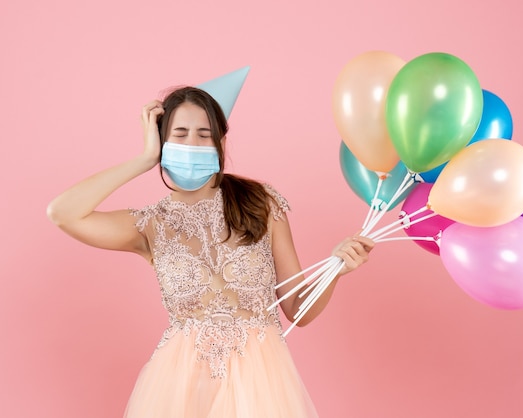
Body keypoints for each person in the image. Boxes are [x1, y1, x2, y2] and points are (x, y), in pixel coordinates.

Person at [47, 85, 375, 417]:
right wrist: (144, 159)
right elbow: (63, 212)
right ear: (162, 142)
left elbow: (296, 309)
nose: (192, 144)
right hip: (180, 388)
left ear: (220, 143)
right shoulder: (150, 225)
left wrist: (335, 270)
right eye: (180, 133)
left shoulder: (260, 202)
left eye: (204, 134)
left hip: (260, 387)